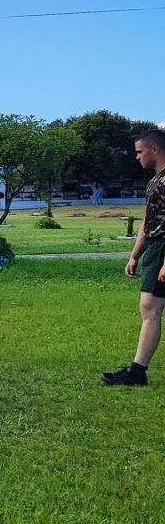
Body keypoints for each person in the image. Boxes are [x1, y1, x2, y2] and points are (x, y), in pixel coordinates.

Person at [102, 130, 165, 386]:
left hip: (163, 248)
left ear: (156, 150)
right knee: (150, 308)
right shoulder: (155, 182)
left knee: (150, 309)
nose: (137, 157)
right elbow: (148, 222)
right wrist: (134, 255)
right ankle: (137, 371)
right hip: (154, 248)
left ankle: (137, 372)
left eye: (140, 152)